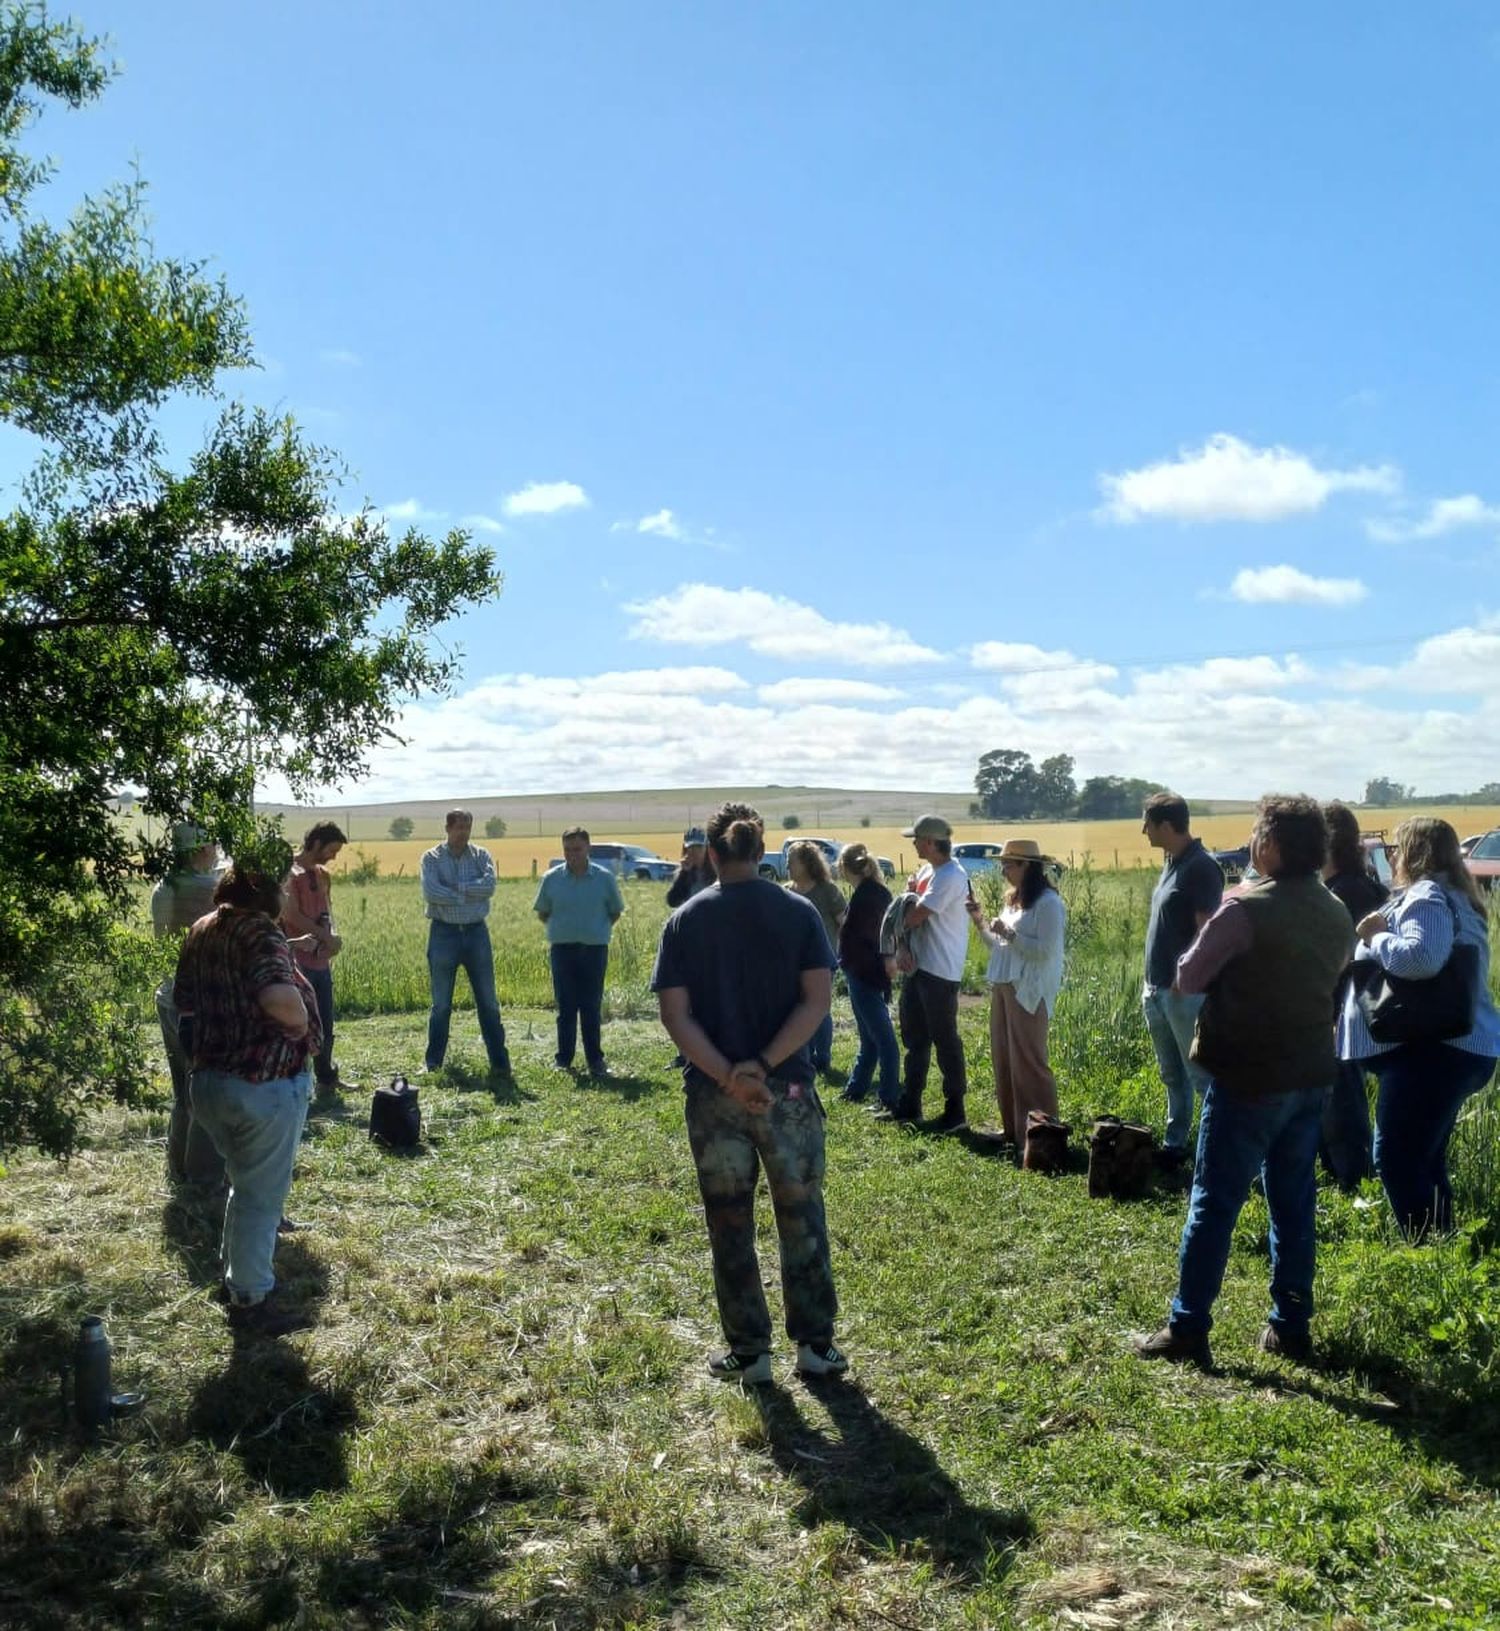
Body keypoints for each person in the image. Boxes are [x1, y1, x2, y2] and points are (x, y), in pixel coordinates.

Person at [1135, 794, 1352, 1369]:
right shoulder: (1335, 911)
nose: (1254, 841)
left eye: (1259, 833)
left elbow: (1186, 976)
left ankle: (1188, 1327)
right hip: (1310, 1074)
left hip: (1248, 1076)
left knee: (1214, 1201)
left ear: (1272, 844)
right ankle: (1290, 1326)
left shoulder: (1244, 908)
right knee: (1293, 1203)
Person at [652, 801, 846, 1385]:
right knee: (801, 1214)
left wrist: (727, 1076)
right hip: (787, 1091)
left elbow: (675, 1015)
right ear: (761, 853)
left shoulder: (685, 919)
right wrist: (761, 1066)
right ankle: (814, 1347)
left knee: (729, 1220)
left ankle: (749, 1353)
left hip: (714, 1101)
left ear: (711, 855)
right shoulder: (799, 913)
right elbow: (816, 1000)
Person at [173, 860, 322, 1336]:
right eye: (280, 887)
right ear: (263, 894)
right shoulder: (259, 930)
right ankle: (252, 1303)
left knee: (242, 1184)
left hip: (210, 1083)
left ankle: (234, 1281)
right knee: (262, 1198)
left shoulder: (202, 928)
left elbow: (183, 999)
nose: (285, 894)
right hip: (262, 1082)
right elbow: (277, 997)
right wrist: (299, 1022)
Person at [1339, 817, 1500, 1238]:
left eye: (1395, 849)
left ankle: (1424, 1250)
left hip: (1432, 1049)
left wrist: (1375, 936)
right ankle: (1442, 1240)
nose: (1391, 858)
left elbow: (1419, 959)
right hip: (1447, 1048)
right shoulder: (1452, 895)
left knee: (1395, 1157)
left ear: (1410, 852)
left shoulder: (1426, 894)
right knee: (1424, 1156)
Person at [1141, 792, 1225, 1167]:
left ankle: (1215, 1154)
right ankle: (1176, 1145)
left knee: (1200, 1076)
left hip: (1183, 992)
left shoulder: (1202, 867)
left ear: (1165, 824)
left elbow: (1208, 932)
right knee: (1171, 1075)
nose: (1143, 830)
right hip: (1157, 989)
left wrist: (1185, 977)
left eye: (1148, 823)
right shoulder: (1173, 862)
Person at [965, 839, 1066, 1148]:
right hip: (1005, 985)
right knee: (1005, 1059)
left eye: (1009, 864)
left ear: (1027, 866)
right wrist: (979, 919)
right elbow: (1000, 947)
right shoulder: (1014, 900)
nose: (1003, 869)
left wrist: (1009, 932)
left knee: (1030, 1063)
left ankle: (1042, 1134)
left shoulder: (1049, 903)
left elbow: (1044, 952)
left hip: (1029, 991)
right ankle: (1013, 1130)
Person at [151, 822, 228, 1187]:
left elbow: (162, 943)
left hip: (168, 993)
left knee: (182, 1093)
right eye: (211, 846)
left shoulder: (164, 886)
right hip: (197, 1001)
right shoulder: (206, 892)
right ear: (200, 851)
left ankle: (177, 1167)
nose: (215, 851)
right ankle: (202, 1176)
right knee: (202, 1090)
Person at [1319, 801, 1388, 1190]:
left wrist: (1330, 1015)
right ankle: (1339, 1173)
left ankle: (1353, 1179)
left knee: (1343, 1101)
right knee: (1333, 1098)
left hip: (1345, 1010)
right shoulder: (1352, 884)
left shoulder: (1346, 890)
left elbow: (1343, 960)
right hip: (1344, 1009)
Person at [886, 814, 969, 1133]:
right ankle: (911, 1104)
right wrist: (903, 945)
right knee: (915, 1037)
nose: (914, 845)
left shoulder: (950, 876)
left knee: (945, 1039)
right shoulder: (928, 871)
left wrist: (906, 902)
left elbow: (915, 913)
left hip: (940, 969)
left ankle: (956, 1111)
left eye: (917, 840)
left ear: (931, 842)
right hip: (920, 966)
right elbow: (909, 908)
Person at [420, 809, 512, 1077]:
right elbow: (431, 892)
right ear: (447, 828)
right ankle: (433, 1063)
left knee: (488, 1001)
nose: (463, 832)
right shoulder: (432, 857)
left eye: (467, 827)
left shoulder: (482, 855)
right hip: (443, 933)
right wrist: (468, 892)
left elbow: (489, 887)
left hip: (476, 933)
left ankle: (500, 1064)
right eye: (458, 827)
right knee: (441, 1004)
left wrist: (453, 890)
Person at [533, 826, 624, 1076]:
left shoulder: (604, 878)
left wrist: (593, 931)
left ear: (588, 848)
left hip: (594, 950)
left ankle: (595, 1060)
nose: (572, 854)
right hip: (563, 950)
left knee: (591, 1007)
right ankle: (563, 1059)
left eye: (577, 849)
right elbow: (543, 912)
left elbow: (615, 911)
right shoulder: (551, 878)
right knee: (566, 1007)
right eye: (567, 849)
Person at [282, 821, 354, 1093]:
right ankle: (298, 1081)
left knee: (325, 1022)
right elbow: (291, 915)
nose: (333, 856)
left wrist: (332, 937)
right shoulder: (290, 873)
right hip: (297, 961)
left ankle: (326, 1079)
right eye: (331, 850)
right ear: (316, 844)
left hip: (321, 961)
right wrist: (324, 937)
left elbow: (328, 912)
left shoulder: (323, 875)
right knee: (298, 1025)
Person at [836, 843, 898, 1105]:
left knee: (883, 1040)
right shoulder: (870, 892)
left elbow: (877, 937)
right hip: (863, 972)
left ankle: (889, 1097)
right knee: (869, 1039)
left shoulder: (869, 896)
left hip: (866, 974)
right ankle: (855, 1090)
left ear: (845, 868)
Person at [785, 840, 846, 1075]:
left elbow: (844, 922)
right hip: (792, 962)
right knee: (797, 1008)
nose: (788, 865)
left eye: (793, 860)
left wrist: (838, 950)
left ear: (807, 863)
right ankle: (804, 1054)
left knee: (820, 1008)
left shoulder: (827, 891)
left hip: (822, 959)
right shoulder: (785, 891)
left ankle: (823, 1057)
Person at [667, 826, 715, 908]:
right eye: (691, 848)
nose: (694, 852)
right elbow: (672, 902)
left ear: (707, 849)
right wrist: (683, 874)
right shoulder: (685, 873)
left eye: (699, 847)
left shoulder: (716, 872)